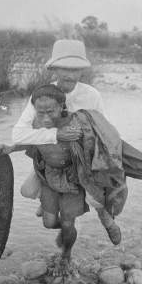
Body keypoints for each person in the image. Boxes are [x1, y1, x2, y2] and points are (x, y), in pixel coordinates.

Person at [0, 84, 127, 275]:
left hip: (74, 182)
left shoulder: (76, 125)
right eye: (40, 112)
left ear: (62, 107)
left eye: (51, 111)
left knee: (68, 223)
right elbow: (28, 142)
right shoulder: (34, 126)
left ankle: (66, 254)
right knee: (49, 223)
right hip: (49, 178)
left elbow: (103, 146)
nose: (45, 117)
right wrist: (10, 148)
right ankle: (67, 229)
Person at [12, 39, 121, 245]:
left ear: (82, 71)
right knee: (27, 191)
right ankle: (51, 203)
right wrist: (56, 136)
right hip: (52, 157)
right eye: (64, 68)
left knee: (96, 196)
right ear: (54, 68)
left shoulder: (91, 95)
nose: (70, 74)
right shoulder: (43, 95)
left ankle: (106, 221)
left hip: (82, 159)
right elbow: (19, 134)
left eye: (76, 69)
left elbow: (105, 131)